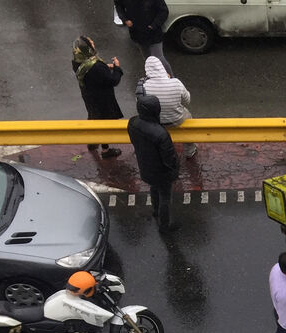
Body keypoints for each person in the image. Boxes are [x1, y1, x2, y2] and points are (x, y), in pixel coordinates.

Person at [127, 94, 180, 233]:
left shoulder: (132, 123)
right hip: (162, 172)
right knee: (165, 197)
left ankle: (155, 210)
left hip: (145, 166)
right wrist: (175, 167)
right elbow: (169, 159)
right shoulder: (161, 134)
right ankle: (164, 226)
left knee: (154, 188)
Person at [71, 36, 123, 159]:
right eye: (91, 43)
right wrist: (117, 68)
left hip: (89, 97)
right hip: (103, 99)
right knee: (104, 124)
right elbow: (113, 80)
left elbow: (94, 72)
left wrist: (105, 67)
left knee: (94, 117)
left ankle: (92, 141)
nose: (93, 44)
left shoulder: (78, 61)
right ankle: (105, 150)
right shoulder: (96, 66)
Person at [139, 56, 197, 159]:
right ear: (162, 68)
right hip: (176, 119)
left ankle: (159, 151)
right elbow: (187, 100)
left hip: (155, 122)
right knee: (188, 116)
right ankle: (189, 150)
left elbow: (140, 106)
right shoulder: (176, 83)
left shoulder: (143, 86)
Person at [114, 0, 172, 75]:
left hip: (153, 33)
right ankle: (154, 77)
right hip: (137, 33)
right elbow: (119, 6)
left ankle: (171, 78)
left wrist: (153, 25)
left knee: (159, 58)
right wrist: (125, 20)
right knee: (148, 59)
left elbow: (164, 11)